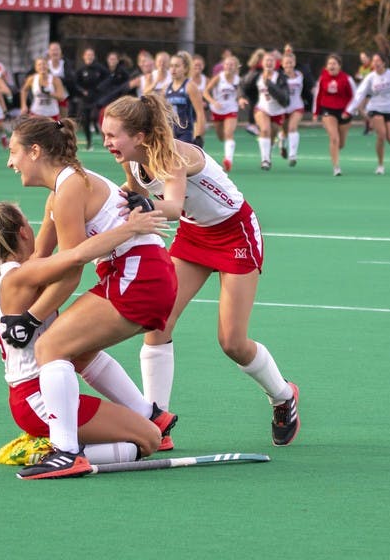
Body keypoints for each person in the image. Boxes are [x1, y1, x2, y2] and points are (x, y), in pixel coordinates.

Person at [101, 93, 301, 448]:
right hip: (195, 235)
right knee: (157, 321)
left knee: (232, 342)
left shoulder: (173, 155)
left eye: (113, 135)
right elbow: (129, 197)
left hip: (235, 232)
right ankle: (156, 422)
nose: (106, 143)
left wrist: (143, 204)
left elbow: (174, 206)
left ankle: (283, 397)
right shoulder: (132, 161)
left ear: (140, 136)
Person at [1, 117, 179, 479]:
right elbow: (39, 261)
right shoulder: (58, 192)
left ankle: (65, 451)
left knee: (50, 348)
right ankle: (151, 418)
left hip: (138, 275)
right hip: (140, 271)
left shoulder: (69, 189)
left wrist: (32, 318)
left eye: (13, 152)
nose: (10, 162)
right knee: (77, 352)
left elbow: (70, 269)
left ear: (35, 152)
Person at [0, 189, 169, 466]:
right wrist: (132, 228)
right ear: (24, 232)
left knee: (84, 350)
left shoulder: (8, 278)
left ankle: (76, 437)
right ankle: (47, 450)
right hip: (38, 398)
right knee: (149, 440)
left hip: (31, 398)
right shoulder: (23, 275)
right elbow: (76, 256)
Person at [312, 53, 357, 176]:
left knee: (341, 143)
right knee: (334, 138)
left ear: (339, 66)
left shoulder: (347, 79)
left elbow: (355, 96)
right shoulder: (323, 78)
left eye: (334, 64)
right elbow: (318, 95)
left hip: (344, 112)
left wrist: (349, 111)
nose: (332, 66)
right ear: (326, 66)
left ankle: (335, 151)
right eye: (329, 64)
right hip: (328, 110)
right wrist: (316, 112)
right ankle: (336, 167)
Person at [243, 51, 289, 170]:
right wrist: (241, 98)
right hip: (262, 108)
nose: (269, 63)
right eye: (266, 61)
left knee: (272, 137)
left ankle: (270, 151)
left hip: (277, 111)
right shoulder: (256, 75)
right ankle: (265, 160)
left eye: (271, 61)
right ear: (262, 63)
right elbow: (243, 85)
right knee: (264, 130)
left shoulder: (280, 77)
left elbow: (284, 96)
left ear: (275, 64)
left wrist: (268, 83)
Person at [202, 53, 244, 171]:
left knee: (228, 133)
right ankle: (227, 153)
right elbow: (205, 92)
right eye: (227, 64)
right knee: (221, 136)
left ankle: (228, 160)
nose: (229, 67)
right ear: (223, 66)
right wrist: (212, 101)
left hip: (231, 109)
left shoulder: (238, 80)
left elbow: (240, 94)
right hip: (217, 110)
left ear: (236, 67)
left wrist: (240, 100)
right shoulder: (218, 78)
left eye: (231, 65)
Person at [164, 51, 206, 146]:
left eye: (177, 66)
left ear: (185, 68)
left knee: (182, 160)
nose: (173, 69)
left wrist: (199, 136)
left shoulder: (190, 87)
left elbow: (200, 113)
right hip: (170, 134)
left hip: (185, 134)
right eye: (171, 66)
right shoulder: (165, 88)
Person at [72, 47, 108, 150]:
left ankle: (103, 136)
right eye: (87, 55)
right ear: (84, 57)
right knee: (85, 121)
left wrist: (100, 88)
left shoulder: (100, 69)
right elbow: (76, 83)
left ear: (94, 56)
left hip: (97, 99)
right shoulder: (81, 70)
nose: (89, 57)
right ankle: (89, 142)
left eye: (91, 55)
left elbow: (107, 79)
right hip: (85, 99)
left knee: (95, 117)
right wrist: (82, 91)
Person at [278, 51, 306, 166]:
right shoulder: (278, 77)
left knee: (292, 128)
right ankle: (282, 143)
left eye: (291, 62)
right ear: (282, 64)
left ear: (294, 63)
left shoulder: (300, 75)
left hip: (297, 106)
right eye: (286, 63)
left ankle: (292, 156)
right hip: (282, 108)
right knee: (284, 132)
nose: (289, 65)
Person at [21, 56, 67, 122]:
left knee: (59, 129)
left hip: (53, 114)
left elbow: (62, 97)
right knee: (33, 131)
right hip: (36, 113)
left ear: (48, 66)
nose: (42, 66)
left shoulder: (55, 79)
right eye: (39, 65)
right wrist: (23, 105)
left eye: (44, 64)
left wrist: (49, 93)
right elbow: (24, 90)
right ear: (36, 68)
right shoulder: (32, 78)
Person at [45, 42, 71, 117]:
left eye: (57, 50)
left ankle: (59, 128)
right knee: (48, 120)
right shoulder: (45, 64)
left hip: (62, 97)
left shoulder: (65, 64)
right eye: (52, 50)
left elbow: (70, 79)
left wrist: (56, 81)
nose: (55, 52)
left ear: (60, 52)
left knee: (61, 121)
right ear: (49, 52)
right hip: (48, 97)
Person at [355, 51, 374, 135]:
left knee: (368, 110)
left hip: (371, 91)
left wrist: (364, 77)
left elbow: (374, 77)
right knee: (360, 108)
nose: (362, 59)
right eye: (361, 58)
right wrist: (358, 76)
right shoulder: (361, 67)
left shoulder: (372, 66)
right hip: (364, 91)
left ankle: (368, 128)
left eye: (364, 58)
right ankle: (370, 124)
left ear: (368, 58)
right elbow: (358, 75)